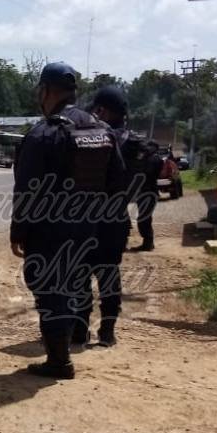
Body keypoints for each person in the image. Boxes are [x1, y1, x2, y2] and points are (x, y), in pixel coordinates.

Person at [10, 63, 124, 379]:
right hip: (90, 227)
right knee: (75, 284)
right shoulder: (103, 131)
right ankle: (75, 339)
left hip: (49, 230)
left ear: (45, 91)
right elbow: (117, 182)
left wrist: (18, 231)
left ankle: (59, 362)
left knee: (50, 291)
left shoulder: (43, 132)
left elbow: (26, 190)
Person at [75, 85, 134, 348]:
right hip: (117, 219)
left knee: (81, 275)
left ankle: (80, 330)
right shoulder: (133, 142)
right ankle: (108, 331)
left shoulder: (91, 137)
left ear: (101, 110)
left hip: (86, 218)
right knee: (109, 275)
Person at [130, 140, 163, 252]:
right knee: (144, 218)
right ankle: (148, 242)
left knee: (144, 218)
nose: (147, 149)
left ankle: (148, 243)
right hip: (144, 191)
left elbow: (147, 172)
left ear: (155, 148)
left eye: (150, 147)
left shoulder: (154, 159)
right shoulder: (148, 158)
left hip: (149, 192)